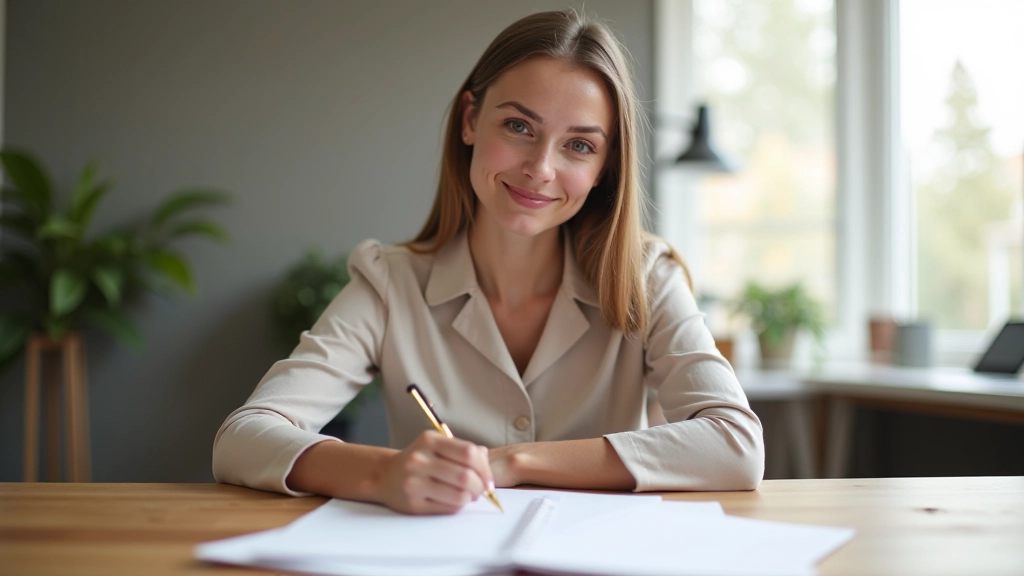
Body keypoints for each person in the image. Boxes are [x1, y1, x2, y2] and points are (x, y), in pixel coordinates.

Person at [213, 9, 764, 515]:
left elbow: (735, 445)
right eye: (519, 127)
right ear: (471, 120)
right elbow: (244, 437)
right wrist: (382, 472)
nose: (540, 168)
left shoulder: (647, 278)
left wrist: (513, 461)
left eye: (578, 146)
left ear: (604, 168)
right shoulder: (389, 282)